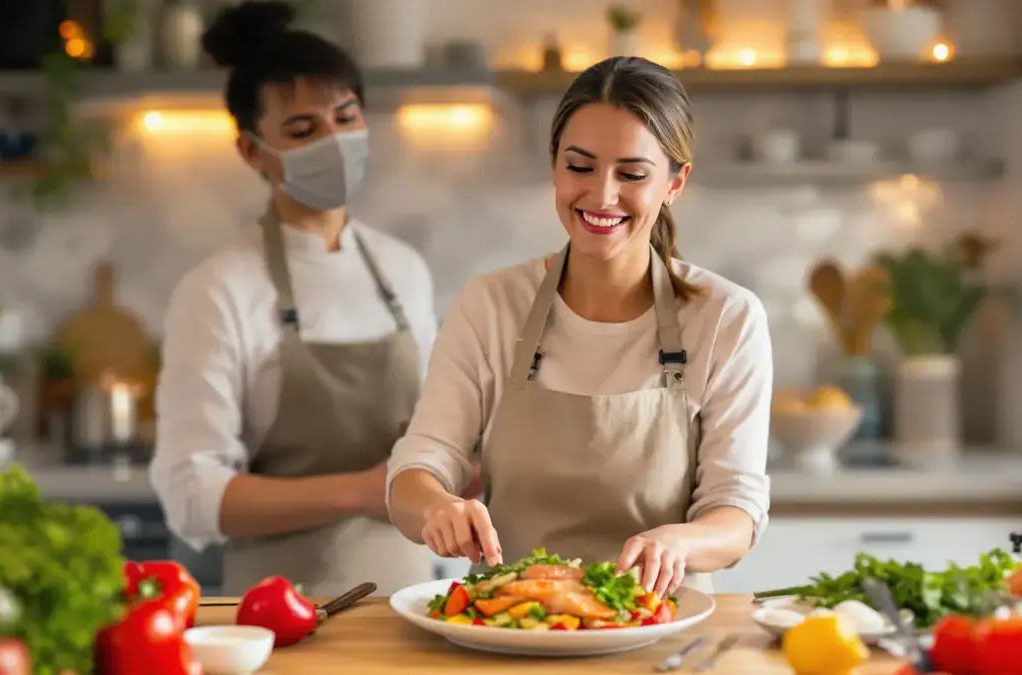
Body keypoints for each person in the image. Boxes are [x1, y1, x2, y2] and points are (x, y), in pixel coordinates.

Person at [386, 56, 772, 596]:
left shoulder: (727, 317)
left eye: (632, 174)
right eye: (580, 166)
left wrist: (682, 543)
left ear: (675, 182)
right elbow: (417, 467)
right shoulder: (491, 305)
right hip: (510, 629)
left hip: (662, 632)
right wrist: (437, 507)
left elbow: (736, 510)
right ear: (554, 163)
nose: (602, 195)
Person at [150, 0, 460, 597]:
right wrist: (361, 491)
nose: (334, 141)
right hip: (279, 617)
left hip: (410, 608)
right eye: (303, 130)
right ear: (251, 151)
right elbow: (190, 495)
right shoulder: (218, 290)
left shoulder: (403, 271)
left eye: (346, 118)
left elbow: (425, 436)